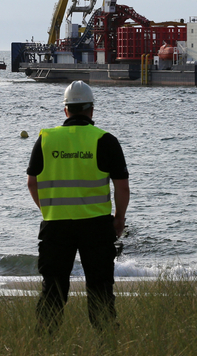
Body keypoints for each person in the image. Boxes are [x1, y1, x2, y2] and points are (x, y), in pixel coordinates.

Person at [26, 80, 130, 333]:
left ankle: (45, 343)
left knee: (53, 289)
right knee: (100, 288)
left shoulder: (46, 139)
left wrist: (49, 210)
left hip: (55, 227)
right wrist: (119, 219)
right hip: (97, 228)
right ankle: (107, 344)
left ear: (66, 110)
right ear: (91, 110)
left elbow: (31, 183)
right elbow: (122, 187)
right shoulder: (105, 140)